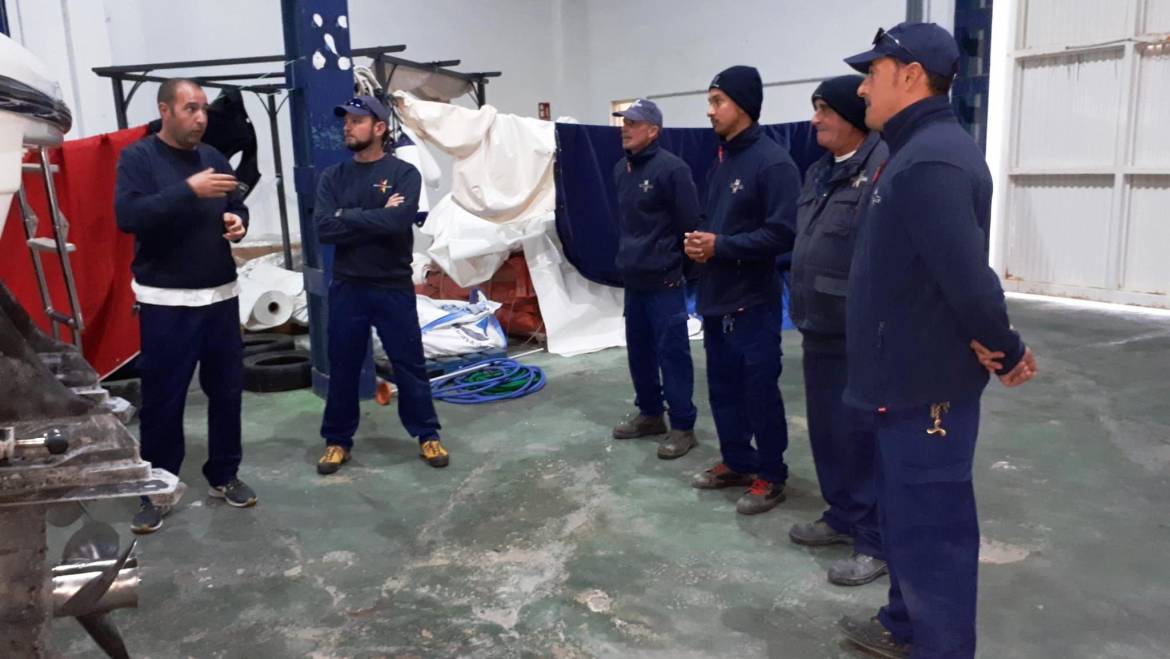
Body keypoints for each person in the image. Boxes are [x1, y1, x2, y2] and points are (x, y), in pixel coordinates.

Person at [835, 23, 1038, 659]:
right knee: (904, 518)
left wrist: (1000, 345)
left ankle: (940, 647)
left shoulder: (932, 159)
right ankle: (904, 624)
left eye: (874, 71)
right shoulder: (913, 150)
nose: (863, 86)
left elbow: (966, 279)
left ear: (911, 74)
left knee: (933, 532)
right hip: (903, 379)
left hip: (926, 392)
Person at [115, 78, 257, 535]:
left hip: (220, 297)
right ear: (165, 111)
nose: (201, 118)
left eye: (203, 111)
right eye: (191, 109)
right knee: (163, 402)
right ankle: (157, 489)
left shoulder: (213, 157)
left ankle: (224, 474)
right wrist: (187, 191)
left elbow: (235, 202)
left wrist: (239, 221)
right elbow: (128, 217)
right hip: (167, 304)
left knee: (227, 394)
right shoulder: (139, 158)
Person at [787, 74, 889, 587]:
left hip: (859, 334)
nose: (815, 119)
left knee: (865, 438)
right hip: (817, 327)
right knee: (828, 433)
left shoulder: (881, 171)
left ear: (851, 114)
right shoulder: (819, 171)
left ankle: (875, 540)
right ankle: (842, 514)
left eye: (824, 109)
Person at [685, 66, 800, 515]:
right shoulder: (723, 161)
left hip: (752, 302)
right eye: (710, 101)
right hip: (717, 296)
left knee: (758, 391)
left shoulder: (773, 163)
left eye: (717, 101)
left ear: (744, 105)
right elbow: (720, 226)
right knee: (723, 388)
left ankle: (771, 475)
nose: (709, 110)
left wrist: (722, 246)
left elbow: (783, 235)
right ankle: (737, 461)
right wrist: (701, 244)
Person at [313, 94, 449, 475]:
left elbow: (398, 221)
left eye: (356, 120)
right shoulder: (333, 177)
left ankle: (427, 433)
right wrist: (373, 215)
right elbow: (324, 227)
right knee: (343, 367)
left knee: (410, 365)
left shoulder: (405, 174)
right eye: (346, 121)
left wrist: (349, 218)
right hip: (348, 287)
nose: (348, 126)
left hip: (392, 286)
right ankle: (337, 441)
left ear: (378, 127)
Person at [609, 98, 701, 459]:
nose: (625, 129)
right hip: (634, 280)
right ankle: (650, 414)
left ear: (653, 131)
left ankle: (682, 426)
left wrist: (680, 271)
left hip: (664, 280)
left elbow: (689, 223)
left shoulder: (672, 170)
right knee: (640, 351)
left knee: (672, 353)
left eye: (633, 123)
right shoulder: (621, 170)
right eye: (623, 122)